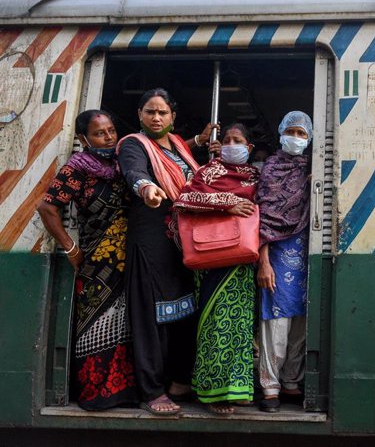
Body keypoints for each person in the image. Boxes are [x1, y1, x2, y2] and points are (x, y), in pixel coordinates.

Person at [116, 88, 217, 415]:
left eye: (162, 112)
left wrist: (199, 144)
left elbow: (180, 161)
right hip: (151, 237)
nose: (156, 117)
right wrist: (145, 188)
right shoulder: (133, 144)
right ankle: (152, 389)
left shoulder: (176, 144)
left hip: (181, 238)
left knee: (184, 311)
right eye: (150, 112)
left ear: (172, 117)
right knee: (152, 315)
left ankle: (179, 381)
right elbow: (135, 170)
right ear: (140, 115)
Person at [38, 109, 138, 410]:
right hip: (96, 264)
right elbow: (47, 208)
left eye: (111, 130)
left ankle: (127, 393)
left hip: (129, 260)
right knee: (95, 328)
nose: (108, 137)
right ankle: (97, 396)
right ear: (83, 138)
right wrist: (70, 248)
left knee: (127, 326)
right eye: (99, 133)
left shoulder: (123, 163)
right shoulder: (77, 170)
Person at [174, 123, 259, 415]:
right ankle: (212, 392)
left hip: (243, 260)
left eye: (237, 140)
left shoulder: (256, 176)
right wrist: (228, 203)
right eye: (226, 140)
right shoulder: (209, 171)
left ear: (248, 149)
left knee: (239, 327)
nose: (230, 144)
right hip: (212, 256)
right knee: (214, 324)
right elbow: (185, 199)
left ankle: (236, 388)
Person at [256, 111, 312, 413]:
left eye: (302, 133)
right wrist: (263, 262)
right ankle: (270, 387)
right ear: (280, 133)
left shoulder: (311, 170)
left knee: (301, 325)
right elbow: (262, 217)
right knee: (275, 324)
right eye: (291, 131)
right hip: (276, 256)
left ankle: (291, 380)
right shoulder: (271, 169)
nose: (296, 138)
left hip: (304, 258)